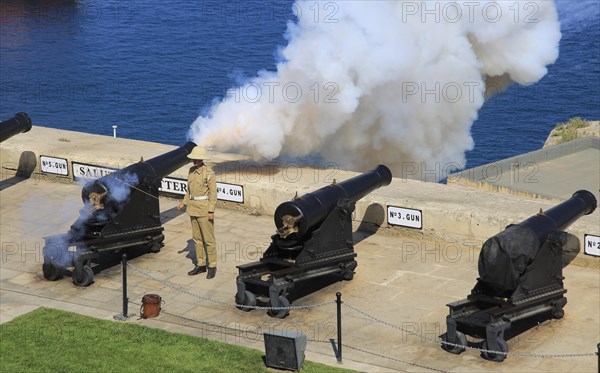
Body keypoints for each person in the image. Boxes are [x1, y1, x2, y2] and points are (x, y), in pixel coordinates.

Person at [177, 146, 218, 279]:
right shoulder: (191, 171)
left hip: (204, 209)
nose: (194, 161)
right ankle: (201, 264)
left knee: (209, 240)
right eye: (193, 159)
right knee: (197, 239)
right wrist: (184, 202)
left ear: (202, 159)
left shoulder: (209, 173)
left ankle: (212, 265)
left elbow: (213, 194)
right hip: (193, 208)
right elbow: (189, 190)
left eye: (197, 159)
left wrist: (211, 210)